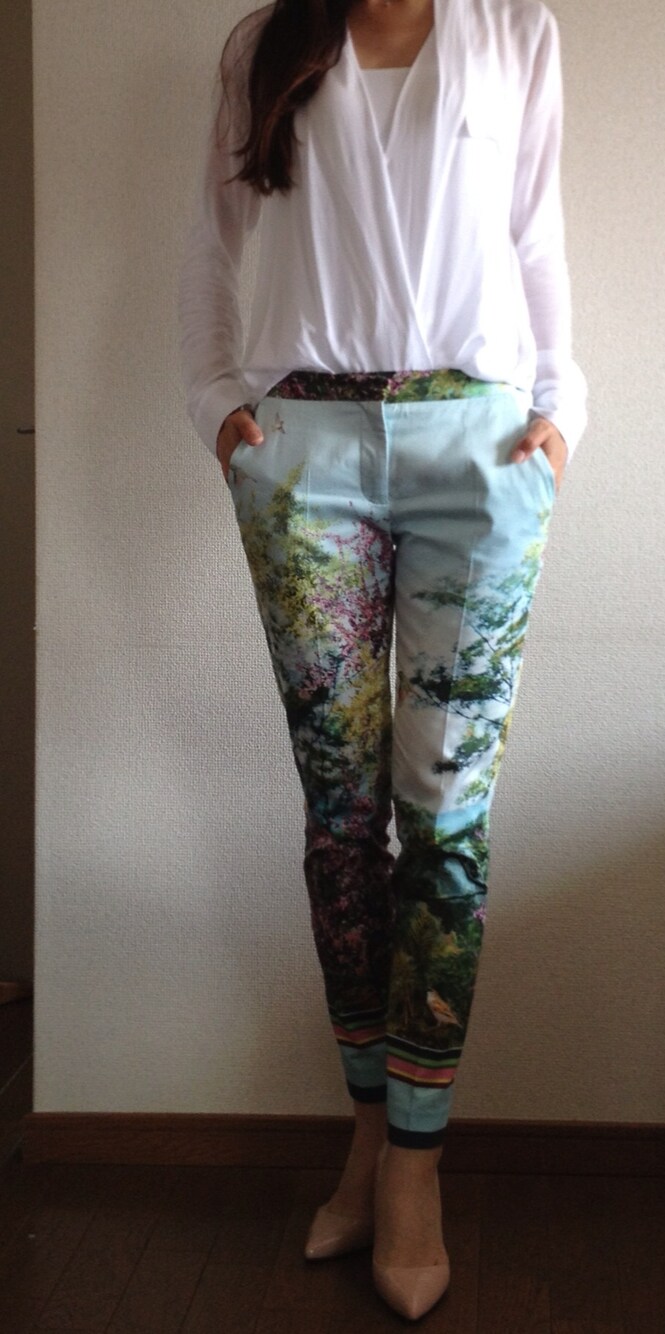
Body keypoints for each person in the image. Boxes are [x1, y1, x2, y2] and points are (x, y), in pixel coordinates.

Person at [177, 0, 585, 1319]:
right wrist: (220, 410)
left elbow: (535, 234)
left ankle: (415, 1164)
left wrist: (562, 417)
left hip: (482, 455)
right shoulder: (267, 44)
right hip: (309, 460)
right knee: (342, 820)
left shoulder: (515, 33)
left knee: (445, 825)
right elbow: (211, 241)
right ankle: (368, 1128)